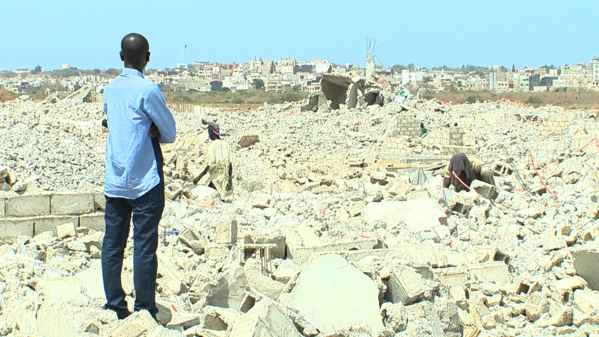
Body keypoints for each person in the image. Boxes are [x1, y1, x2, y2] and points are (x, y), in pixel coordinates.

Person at [101, 33, 176, 320]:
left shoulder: (109, 90)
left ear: (121, 57)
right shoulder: (149, 90)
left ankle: (115, 307)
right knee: (144, 247)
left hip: (116, 181)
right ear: (148, 57)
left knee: (112, 244)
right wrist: (153, 128)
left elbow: (111, 120)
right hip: (145, 181)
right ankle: (144, 309)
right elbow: (169, 132)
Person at [193, 124, 232, 199]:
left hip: (215, 180)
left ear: (211, 133)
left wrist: (199, 177)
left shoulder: (212, 146)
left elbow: (210, 165)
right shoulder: (226, 145)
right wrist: (229, 180)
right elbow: (230, 165)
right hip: (224, 179)